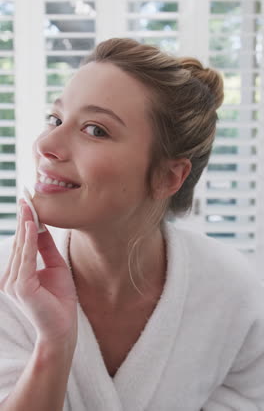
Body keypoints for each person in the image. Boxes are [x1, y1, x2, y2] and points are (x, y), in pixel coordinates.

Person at [0, 37, 263, 411]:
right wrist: (53, 345)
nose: (47, 144)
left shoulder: (232, 294)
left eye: (95, 130)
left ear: (168, 176)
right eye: (56, 119)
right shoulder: (9, 286)